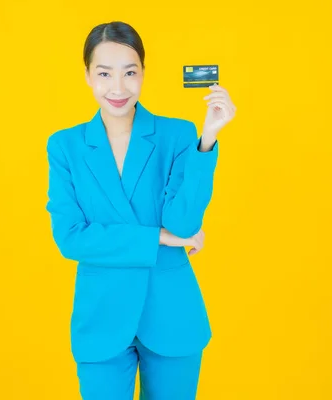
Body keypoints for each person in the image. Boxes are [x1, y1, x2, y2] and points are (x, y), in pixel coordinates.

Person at [45, 20, 236, 400]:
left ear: (144, 73)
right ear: (87, 75)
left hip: (171, 312)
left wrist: (208, 139)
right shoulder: (65, 146)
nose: (118, 88)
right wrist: (159, 238)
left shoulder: (179, 134)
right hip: (101, 317)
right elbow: (69, 238)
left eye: (130, 72)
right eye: (104, 73)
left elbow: (182, 222)